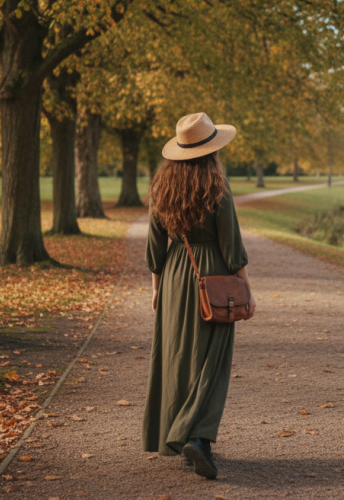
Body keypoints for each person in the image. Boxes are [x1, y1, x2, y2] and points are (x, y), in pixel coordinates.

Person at [142, 112, 257, 480]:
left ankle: (179, 434)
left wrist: (157, 288)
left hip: (176, 274)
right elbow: (231, 242)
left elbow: (154, 244)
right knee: (212, 359)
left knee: (177, 356)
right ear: (211, 150)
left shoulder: (161, 186)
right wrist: (246, 289)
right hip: (214, 277)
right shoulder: (217, 185)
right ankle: (197, 438)